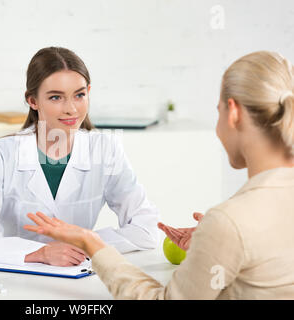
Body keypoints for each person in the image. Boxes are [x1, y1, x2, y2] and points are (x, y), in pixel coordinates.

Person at [25, 51, 294, 299]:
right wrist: (215, 247)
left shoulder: (229, 222)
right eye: (56, 97)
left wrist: (92, 243)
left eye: (218, 111)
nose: (70, 108)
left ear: (233, 113)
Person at [0, 47, 160, 267]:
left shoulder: (106, 149)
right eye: (56, 97)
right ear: (33, 101)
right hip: (15, 275)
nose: (71, 109)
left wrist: (87, 242)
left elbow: (146, 228)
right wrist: (41, 253)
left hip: (79, 277)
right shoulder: (0, 154)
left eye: (80, 95)